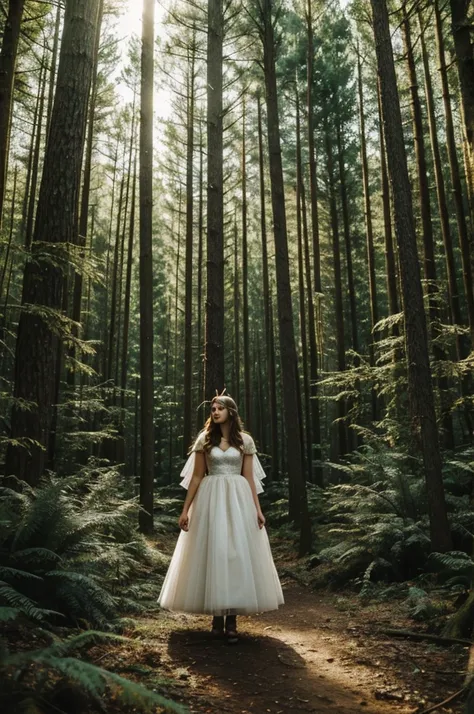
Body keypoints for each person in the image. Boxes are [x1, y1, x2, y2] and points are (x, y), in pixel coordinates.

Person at [158, 394, 284, 643]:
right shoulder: (204, 440)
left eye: (220, 408)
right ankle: (216, 617)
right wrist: (185, 510)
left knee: (235, 554)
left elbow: (249, 477)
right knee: (214, 552)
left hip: (238, 500)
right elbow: (196, 477)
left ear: (231, 412)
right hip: (210, 499)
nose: (215, 412)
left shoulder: (244, 441)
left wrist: (257, 509)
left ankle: (232, 620)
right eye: (213, 409)